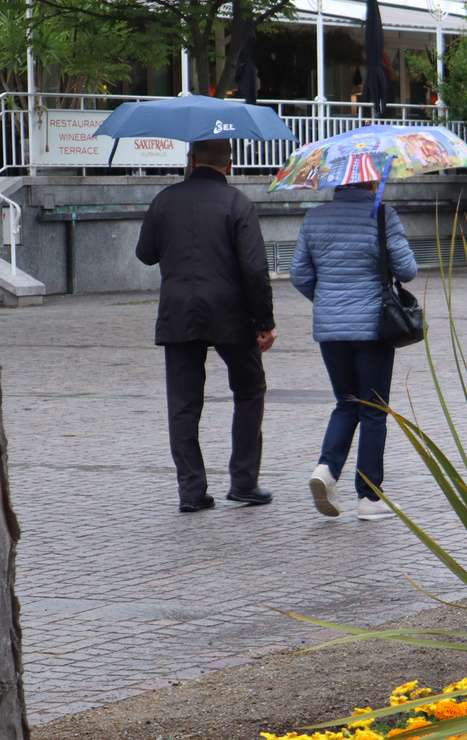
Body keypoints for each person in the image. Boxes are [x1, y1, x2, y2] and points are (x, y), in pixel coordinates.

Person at [136, 138, 276, 513]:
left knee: (183, 402)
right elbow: (255, 269)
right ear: (228, 165)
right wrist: (264, 322)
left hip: (178, 310)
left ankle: (191, 491)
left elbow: (145, 254)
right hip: (230, 311)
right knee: (249, 389)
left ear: (192, 160)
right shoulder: (238, 204)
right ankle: (244, 481)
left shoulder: (164, 200)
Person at [289, 175, 418, 520]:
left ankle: (327, 470)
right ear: (372, 181)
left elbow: (299, 274)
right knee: (374, 410)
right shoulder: (382, 215)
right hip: (372, 328)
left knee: (346, 403)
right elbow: (408, 269)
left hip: (331, 330)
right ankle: (370, 499)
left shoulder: (313, 218)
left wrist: (329, 302)